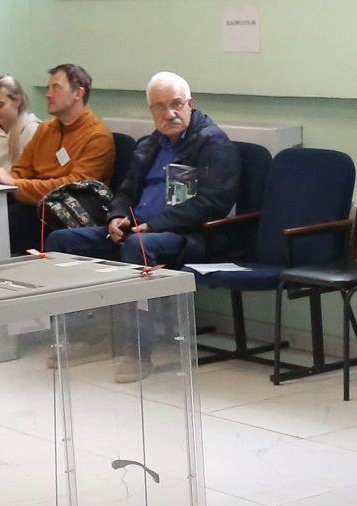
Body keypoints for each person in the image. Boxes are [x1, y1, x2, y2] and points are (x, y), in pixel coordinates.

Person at [45, 71, 241, 382]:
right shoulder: (149, 144)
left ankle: (137, 352)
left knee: (137, 247)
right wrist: (115, 217)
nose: (170, 113)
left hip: (190, 235)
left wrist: (154, 225)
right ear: (151, 110)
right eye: (160, 107)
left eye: (177, 104)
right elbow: (126, 192)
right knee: (61, 242)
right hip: (139, 229)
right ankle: (81, 337)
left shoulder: (212, 143)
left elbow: (212, 203)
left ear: (190, 104)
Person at [0, 63, 115, 254]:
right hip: (36, 203)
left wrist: (15, 184)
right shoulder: (46, 129)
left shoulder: (97, 136)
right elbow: (22, 169)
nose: (48, 94)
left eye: (56, 88)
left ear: (78, 93)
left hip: (67, 212)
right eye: (48, 88)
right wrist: (2, 180)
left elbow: (73, 188)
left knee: (12, 218)